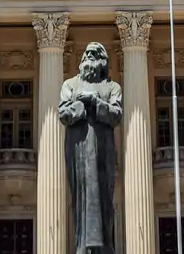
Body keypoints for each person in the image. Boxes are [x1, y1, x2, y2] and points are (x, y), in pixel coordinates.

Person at [59, 43, 123, 253]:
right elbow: (64, 115)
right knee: (80, 200)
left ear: (103, 61)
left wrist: (95, 102)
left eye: (94, 54)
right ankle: (82, 247)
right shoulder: (70, 85)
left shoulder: (112, 88)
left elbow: (116, 115)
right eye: (86, 53)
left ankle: (104, 248)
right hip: (78, 152)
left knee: (103, 200)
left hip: (103, 153)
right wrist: (82, 106)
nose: (89, 57)